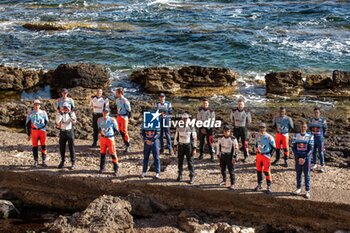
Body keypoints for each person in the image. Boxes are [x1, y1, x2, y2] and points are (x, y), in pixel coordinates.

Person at [292, 121, 314, 199]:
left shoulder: (310, 136)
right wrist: (298, 157)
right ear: (300, 127)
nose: (303, 128)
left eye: (304, 127)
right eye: (301, 127)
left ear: (306, 127)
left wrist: (304, 158)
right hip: (298, 157)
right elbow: (293, 148)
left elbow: (311, 149)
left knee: (307, 174)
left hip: (306, 158)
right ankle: (298, 188)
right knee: (298, 173)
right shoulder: (295, 135)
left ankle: (307, 190)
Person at [174, 113, 197, 184]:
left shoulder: (191, 127)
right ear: (181, 119)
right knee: (180, 161)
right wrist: (175, 146)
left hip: (188, 146)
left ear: (188, 119)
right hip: (181, 145)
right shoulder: (178, 126)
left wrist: (194, 148)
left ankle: (192, 176)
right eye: (183, 118)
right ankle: (180, 175)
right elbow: (176, 137)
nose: (185, 120)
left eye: (186, 118)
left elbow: (195, 138)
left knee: (190, 161)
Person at [25, 99, 49, 167]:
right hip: (34, 132)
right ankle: (36, 161)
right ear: (33, 105)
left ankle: (44, 160)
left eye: (38, 104)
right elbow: (27, 124)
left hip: (42, 131)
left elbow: (47, 122)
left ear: (40, 105)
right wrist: (28, 134)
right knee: (34, 146)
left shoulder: (44, 113)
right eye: (35, 104)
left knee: (43, 146)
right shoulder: (30, 113)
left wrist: (45, 129)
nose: (36, 106)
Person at [254, 122, 276, 194]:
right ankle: (259, 184)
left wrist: (270, 155)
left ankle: (268, 186)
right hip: (259, 155)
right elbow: (256, 145)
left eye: (263, 128)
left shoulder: (269, 137)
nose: (261, 129)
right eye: (260, 128)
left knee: (266, 171)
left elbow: (274, 148)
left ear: (265, 128)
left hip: (266, 156)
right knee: (259, 170)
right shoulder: (257, 136)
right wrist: (256, 150)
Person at [97, 109, 119, 176]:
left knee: (113, 153)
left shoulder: (112, 120)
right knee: (102, 153)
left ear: (109, 113)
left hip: (110, 139)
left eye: (106, 112)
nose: (105, 113)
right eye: (104, 112)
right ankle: (102, 168)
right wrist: (101, 133)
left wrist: (111, 135)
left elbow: (117, 131)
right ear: (102, 112)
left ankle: (116, 169)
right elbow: (99, 128)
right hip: (102, 138)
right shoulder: (99, 120)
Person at [216, 125, 239, 190]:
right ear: (223, 131)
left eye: (228, 131)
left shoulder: (233, 139)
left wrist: (234, 157)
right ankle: (224, 180)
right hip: (223, 155)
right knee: (222, 169)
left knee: (231, 170)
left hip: (230, 156)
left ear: (230, 131)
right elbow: (218, 146)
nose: (226, 132)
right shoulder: (220, 138)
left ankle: (232, 183)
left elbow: (236, 148)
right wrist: (218, 155)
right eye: (225, 131)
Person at [56, 102, 77, 170]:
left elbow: (74, 121)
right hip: (62, 132)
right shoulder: (60, 114)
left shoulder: (72, 113)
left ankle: (73, 162)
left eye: (66, 107)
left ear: (69, 108)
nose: (65, 109)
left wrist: (70, 113)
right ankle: (62, 161)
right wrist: (61, 113)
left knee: (71, 147)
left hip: (69, 131)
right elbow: (57, 121)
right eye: (64, 107)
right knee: (62, 147)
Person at [230, 98, 251, 162]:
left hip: (244, 129)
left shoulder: (247, 112)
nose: (240, 105)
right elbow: (231, 119)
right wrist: (235, 124)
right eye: (239, 104)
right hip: (236, 129)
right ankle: (236, 156)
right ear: (237, 104)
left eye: (241, 104)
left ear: (244, 105)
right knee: (235, 143)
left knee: (245, 143)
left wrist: (245, 127)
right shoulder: (233, 111)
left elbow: (249, 121)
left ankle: (246, 156)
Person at [308, 107, 327, 173]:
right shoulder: (311, 120)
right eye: (315, 112)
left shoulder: (323, 120)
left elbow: (325, 129)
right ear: (313, 113)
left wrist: (322, 136)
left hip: (320, 138)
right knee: (313, 151)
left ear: (319, 113)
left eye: (317, 112)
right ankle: (314, 164)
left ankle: (322, 165)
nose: (316, 114)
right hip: (313, 138)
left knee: (320, 152)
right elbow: (309, 128)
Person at [115, 87, 131, 153]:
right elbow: (118, 107)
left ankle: (128, 145)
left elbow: (129, 110)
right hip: (119, 116)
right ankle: (124, 142)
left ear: (120, 93)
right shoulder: (117, 100)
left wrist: (128, 117)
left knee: (124, 131)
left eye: (116, 93)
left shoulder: (125, 100)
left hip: (124, 117)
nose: (115, 94)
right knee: (120, 130)